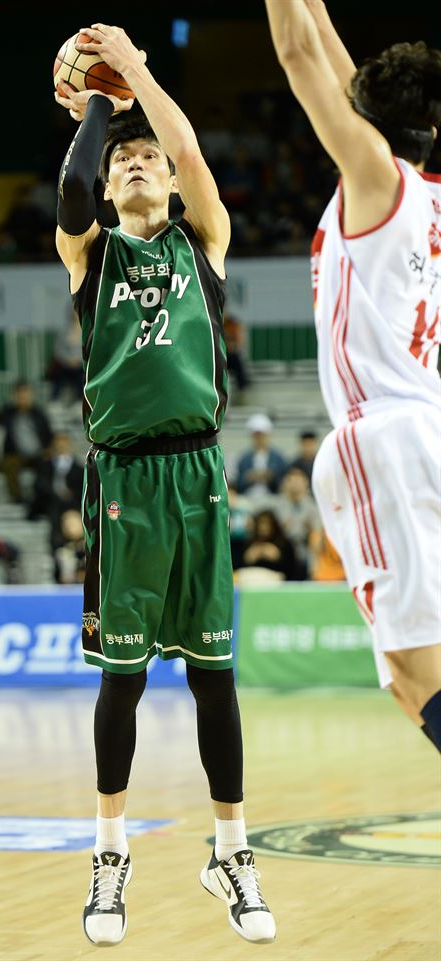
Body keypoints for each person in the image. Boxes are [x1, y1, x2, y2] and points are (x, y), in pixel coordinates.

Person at [55, 22, 275, 948]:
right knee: (126, 684)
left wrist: (140, 74)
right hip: (124, 486)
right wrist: (96, 107)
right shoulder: (91, 254)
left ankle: (232, 853)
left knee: (216, 679)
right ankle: (110, 859)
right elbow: (69, 187)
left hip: (198, 477)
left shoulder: (205, 243)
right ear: (109, 187)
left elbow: (185, 146)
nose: (141, 163)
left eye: (151, 158)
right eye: (126, 161)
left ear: (175, 182)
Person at [265, 1, 441, 749]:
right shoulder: (424, 192)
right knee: (408, 680)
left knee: (414, 667)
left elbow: (303, 57)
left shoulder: (380, 181)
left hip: (387, 438)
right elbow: (334, 59)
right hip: (422, 430)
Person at [0, 381, 53, 503]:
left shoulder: (39, 414)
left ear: (31, 395)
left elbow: (48, 435)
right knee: (9, 464)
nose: (22, 398)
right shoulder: (8, 412)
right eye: (19, 395)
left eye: (25, 394)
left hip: (38, 455)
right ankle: (17, 497)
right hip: (15, 455)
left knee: (48, 463)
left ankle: (42, 496)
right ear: (15, 396)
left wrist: (48, 450)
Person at [274, 466, 321, 579]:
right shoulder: (276, 505)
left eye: (298, 480)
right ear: (285, 483)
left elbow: (318, 531)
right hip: (283, 547)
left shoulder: (313, 507)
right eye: (291, 480)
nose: (295, 484)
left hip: (305, 547)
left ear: (306, 483)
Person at [235, 413, 287, 499]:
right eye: (256, 436)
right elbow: (238, 484)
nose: (259, 439)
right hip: (248, 497)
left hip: (273, 497)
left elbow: (283, 482)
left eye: (262, 435)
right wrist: (248, 478)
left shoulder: (278, 458)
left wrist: (271, 477)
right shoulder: (244, 459)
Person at [240, 509, 297, 581]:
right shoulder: (248, 542)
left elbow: (292, 570)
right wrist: (248, 557)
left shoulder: (284, 543)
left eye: (266, 523)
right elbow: (238, 569)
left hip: (278, 583)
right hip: (251, 581)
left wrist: (279, 557)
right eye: (261, 523)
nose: (263, 528)